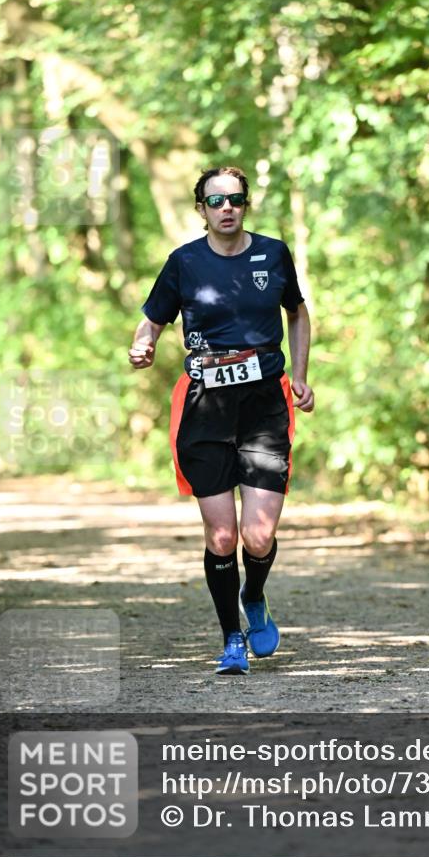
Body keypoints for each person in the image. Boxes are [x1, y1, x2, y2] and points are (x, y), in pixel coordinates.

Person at [128, 166, 314, 676]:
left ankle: (254, 595)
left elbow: (297, 312)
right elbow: (154, 317)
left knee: (257, 536)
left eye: (234, 199)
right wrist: (144, 342)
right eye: (215, 201)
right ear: (201, 209)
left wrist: (300, 376)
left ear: (246, 204)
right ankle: (232, 638)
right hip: (205, 404)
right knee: (222, 538)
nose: (226, 208)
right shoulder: (184, 262)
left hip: (263, 405)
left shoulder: (273, 254)